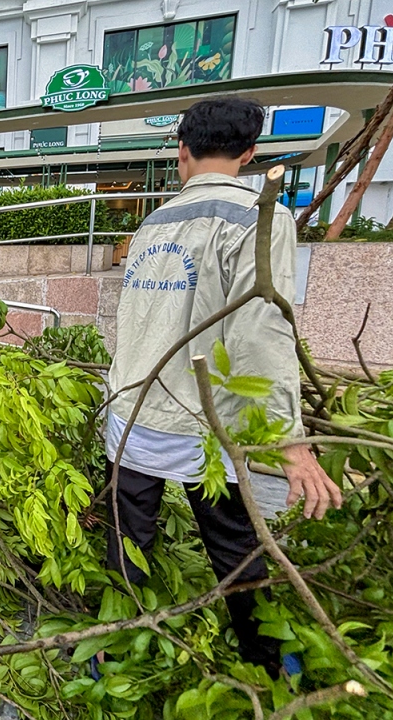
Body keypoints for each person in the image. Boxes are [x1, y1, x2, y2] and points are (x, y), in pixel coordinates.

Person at [105, 97, 343, 676]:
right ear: (251, 152)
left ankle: (111, 654)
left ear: (181, 150)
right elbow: (261, 334)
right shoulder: (262, 216)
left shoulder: (153, 221)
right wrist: (292, 443)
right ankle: (265, 663)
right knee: (235, 549)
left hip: (131, 414)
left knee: (127, 543)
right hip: (202, 425)